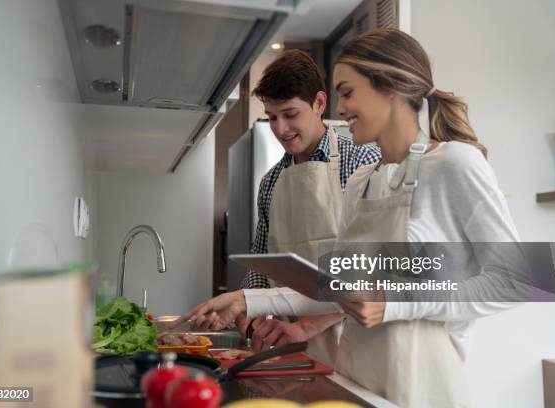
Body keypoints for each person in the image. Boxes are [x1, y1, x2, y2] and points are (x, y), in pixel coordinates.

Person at [173, 29, 521, 407]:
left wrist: (394, 303)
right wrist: (247, 299)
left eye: (349, 92)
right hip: (354, 381)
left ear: (390, 87)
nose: (340, 109)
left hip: (422, 387)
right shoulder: (360, 181)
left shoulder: (454, 163)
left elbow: (520, 279)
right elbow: (338, 289)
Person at [192, 50, 380, 366]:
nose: (280, 129)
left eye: (290, 114)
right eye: (272, 116)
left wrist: (306, 325)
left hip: (352, 342)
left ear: (319, 104)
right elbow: (261, 266)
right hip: (288, 346)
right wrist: (250, 316)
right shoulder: (270, 182)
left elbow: (373, 272)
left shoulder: (361, 162)